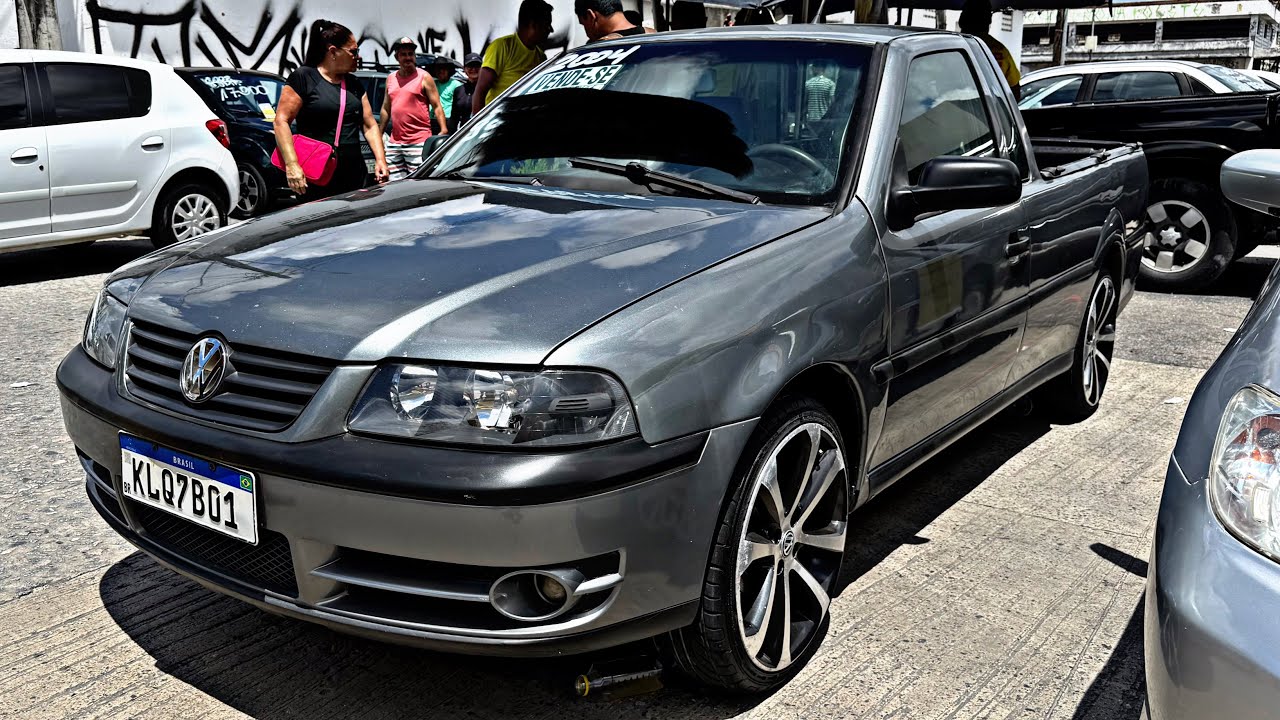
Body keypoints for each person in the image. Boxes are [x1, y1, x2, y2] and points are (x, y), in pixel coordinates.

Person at [275, 20, 387, 199]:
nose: (357, 57)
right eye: (353, 51)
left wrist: (380, 159)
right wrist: (292, 164)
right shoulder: (304, 78)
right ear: (333, 51)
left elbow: (370, 125)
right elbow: (281, 121)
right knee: (318, 224)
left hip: (354, 175)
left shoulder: (354, 84)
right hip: (317, 175)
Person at [379, 38, 448, 182]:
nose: (408, 57)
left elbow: (436, 105)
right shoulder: (391, 78)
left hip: (418, 142)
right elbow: (386, 108)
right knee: (394, 185)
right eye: (403, 54)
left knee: (418, 184)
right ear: (397, 57)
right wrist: (379, 133)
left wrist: (443, 130)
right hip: (394, 143)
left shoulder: (424, 77)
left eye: (411, 54)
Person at [473, 0, 554, 116]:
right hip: (498, 125)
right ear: (533, 25)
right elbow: (480, 91)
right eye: (547, 24)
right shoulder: (501, 47)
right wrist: (477, 128)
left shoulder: (541, 57)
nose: (550, 30)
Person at [958, 0, 1021, 99]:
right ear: (989, 21)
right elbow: (1014, 92)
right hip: (989, 110)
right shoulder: (1000, 51)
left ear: (962, 20)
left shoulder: (951, 47)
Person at [576, 0, 646, 42]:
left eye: (584, 24)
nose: (587, 35)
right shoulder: (653, 35)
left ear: (590, 16)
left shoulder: (597, 50)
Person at [426, 56, 462, 136]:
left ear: (448, 71)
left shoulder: (456, 85)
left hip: (448, 120)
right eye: (438, 69)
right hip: (432, 120)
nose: (441, 71)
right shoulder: (431, 84)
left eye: (443, 69)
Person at [450, 53, 482, 132]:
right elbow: (454, 117)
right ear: (464, 69)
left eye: (477, 66)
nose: (473, 69)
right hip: (464, 134)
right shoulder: (458, 90)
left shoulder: (489, 89)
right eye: (470, 66)